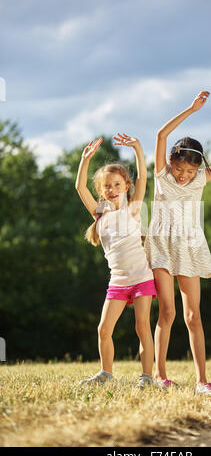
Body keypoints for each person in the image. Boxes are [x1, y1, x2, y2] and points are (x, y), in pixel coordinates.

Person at [144, 91, 211, 394]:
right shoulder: (162, 175)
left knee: (192, 315)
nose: (184, 176)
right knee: (167, 313)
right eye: (180, 169)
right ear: (171, 161)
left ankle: (202, 381)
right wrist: (191, 109)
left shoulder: (201, 178)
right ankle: (160, 375)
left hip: (189, 246)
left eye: (189, 171)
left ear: (197, 168)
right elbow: (161, 134)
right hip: (161, 246)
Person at [75, 134, 157, 388]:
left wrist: (138, 148)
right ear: (101, 191)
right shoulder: (99, 214)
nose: (111, 190)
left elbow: (144, 177)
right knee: (103, 330)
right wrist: (84, 160)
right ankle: (106, 374)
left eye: (116, 185)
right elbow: (80, 187)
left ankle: (147, 377)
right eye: (106, 186)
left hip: (142, 278)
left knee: (142, 327)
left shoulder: (132, 209)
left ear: (126, 186)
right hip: (118, 282)